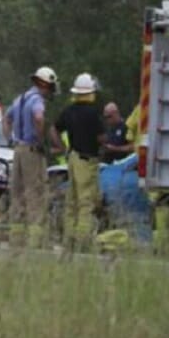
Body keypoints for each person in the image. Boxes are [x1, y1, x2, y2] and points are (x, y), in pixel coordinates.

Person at [2, 66, 62, 249]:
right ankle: (36, 240)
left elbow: (6, 119)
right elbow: (38, 117)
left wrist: (10, 140)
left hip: (18, 150)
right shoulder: (37, 100)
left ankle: (16, 238)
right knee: (36, 195)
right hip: (32, 151)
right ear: (45, 84)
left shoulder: (20, 99)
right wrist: (40, 139)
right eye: (51, 86)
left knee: (18, 195)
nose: (52, 90)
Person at [52, 74, 108, 250]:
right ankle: (82, 241)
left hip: (73, 158)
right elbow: (101, 137)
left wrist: (62, 148)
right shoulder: (93, 113)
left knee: (71, 200)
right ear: (91, 92)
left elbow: (53, 129)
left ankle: (68, 238)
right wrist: (106, 144)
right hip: (87, 160)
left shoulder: (69, 110)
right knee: (86, 202)